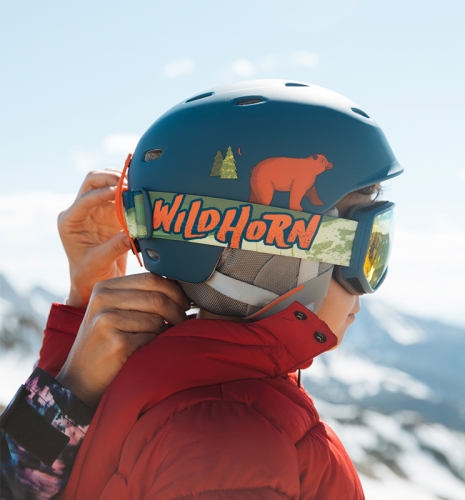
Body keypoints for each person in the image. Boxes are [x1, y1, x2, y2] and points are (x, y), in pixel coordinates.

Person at [0, 80, 402, 499]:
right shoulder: (235, 443)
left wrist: (76, 347)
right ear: (280, 248)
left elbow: (22, 485)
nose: (368, 288)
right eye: (369, 247)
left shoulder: (160, 375)